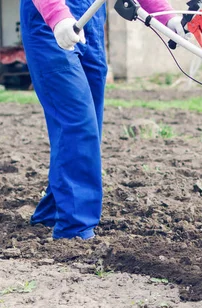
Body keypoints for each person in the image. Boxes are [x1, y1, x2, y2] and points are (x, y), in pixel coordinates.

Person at [20, 0, 185, 240]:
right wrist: (56, 14)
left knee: (89, 125)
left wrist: (168, 17)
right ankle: (74, 229)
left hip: (92, 18)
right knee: (78, 123)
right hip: (50, 21)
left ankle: (54, 211)